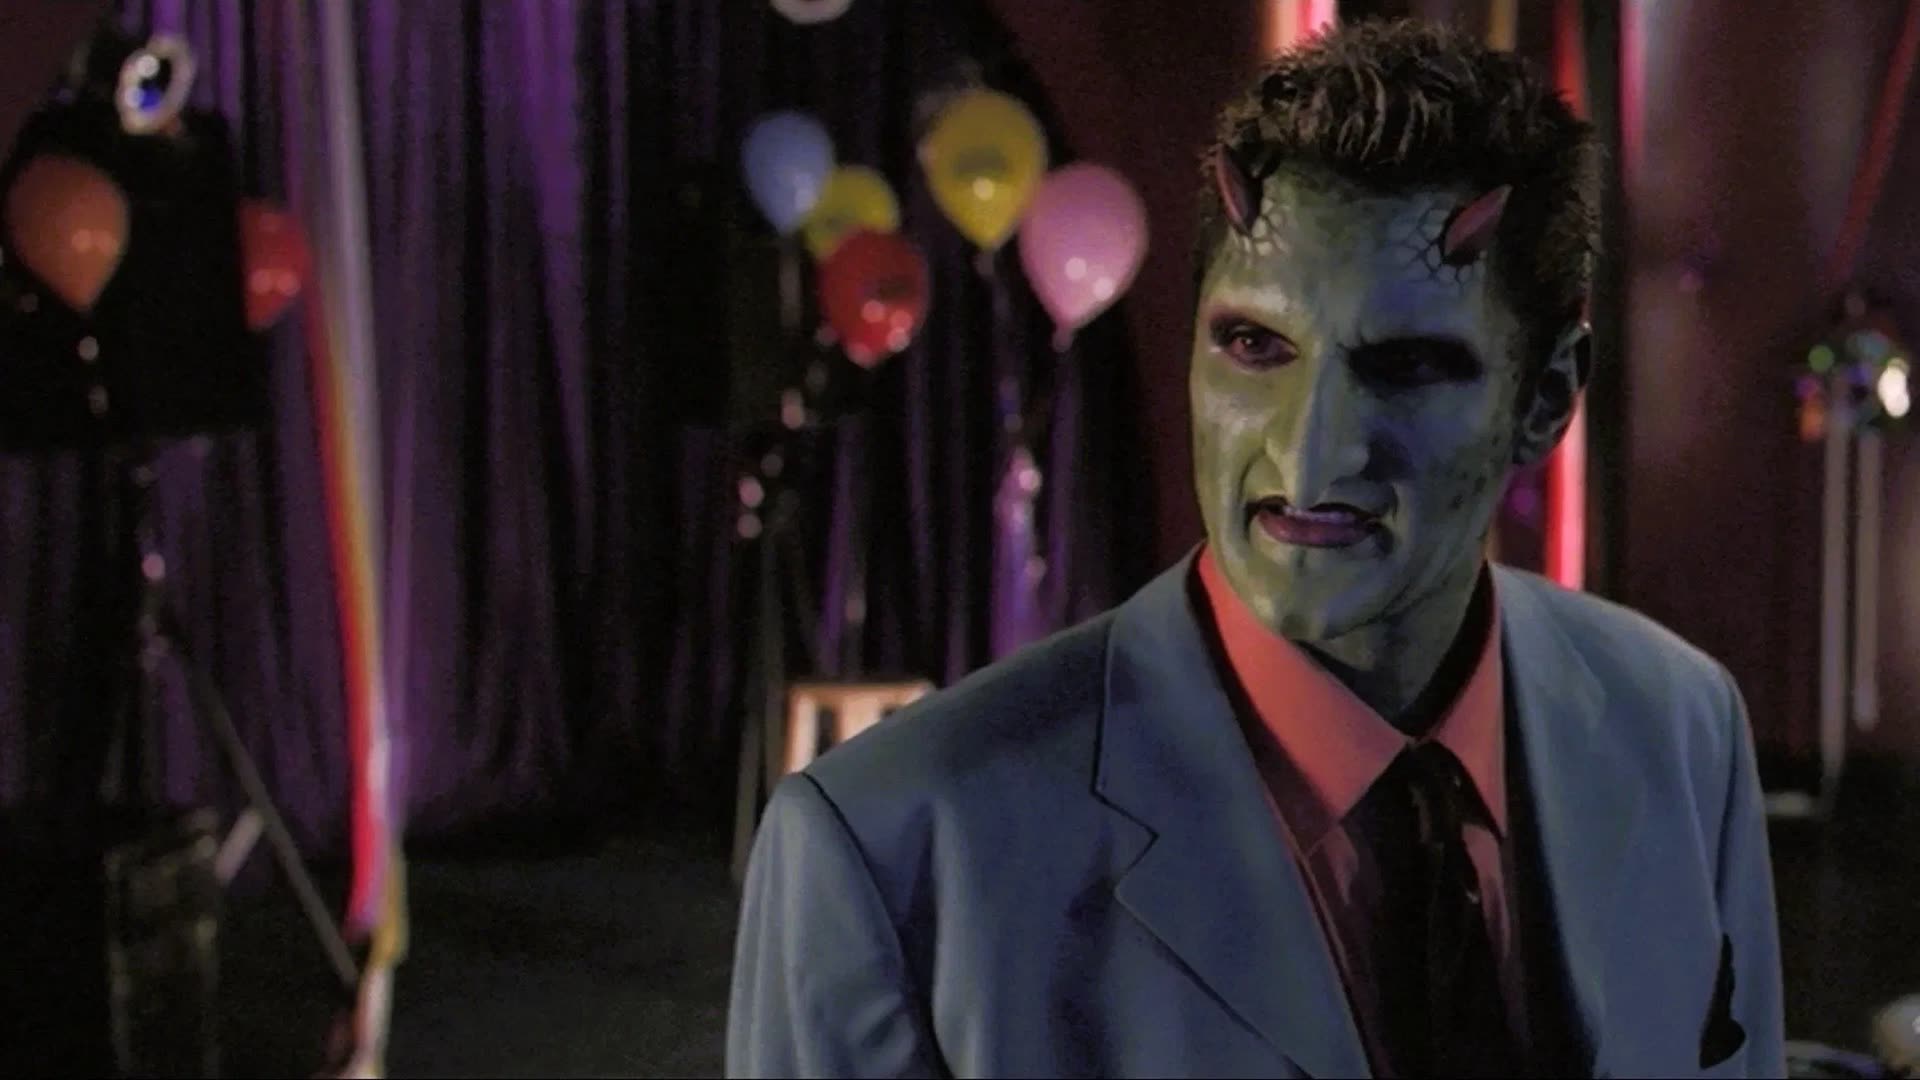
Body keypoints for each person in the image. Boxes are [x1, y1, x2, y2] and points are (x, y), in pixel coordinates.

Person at [726, 18, 1785, 1079]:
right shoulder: (896, 856)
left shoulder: (1679, 727)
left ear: (1546, 398)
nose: (1310, 452)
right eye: (1254, 344)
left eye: (1408, 365)